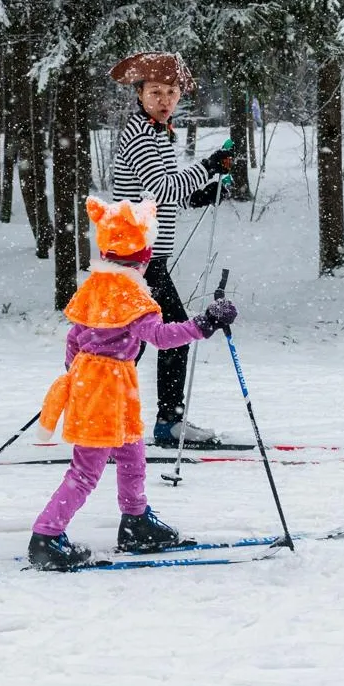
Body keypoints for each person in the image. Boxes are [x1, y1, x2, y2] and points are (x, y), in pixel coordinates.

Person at [28, 196, 238, 570]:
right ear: (142, 256)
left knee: (131, 455)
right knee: (87, 470)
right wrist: (203, 324)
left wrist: (78, 373)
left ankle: (136, 521)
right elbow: (159, 337)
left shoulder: (96, 286)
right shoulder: (130, 294)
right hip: (105, 389)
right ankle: (46, 536)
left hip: (106, 386)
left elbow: (74, 337)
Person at [108, 50, 239, 450]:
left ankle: (128, 421)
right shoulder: (141, 135)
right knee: (163, 337)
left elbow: (161, 192)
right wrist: (208, 168)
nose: (164, 99)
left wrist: (199, 195)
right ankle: (158, 423)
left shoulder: (160, 133)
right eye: (155, 92)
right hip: (134, 262)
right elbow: (163, 188)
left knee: (137, 344)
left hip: (146, 261)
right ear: (140, 94)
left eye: (171, 92)